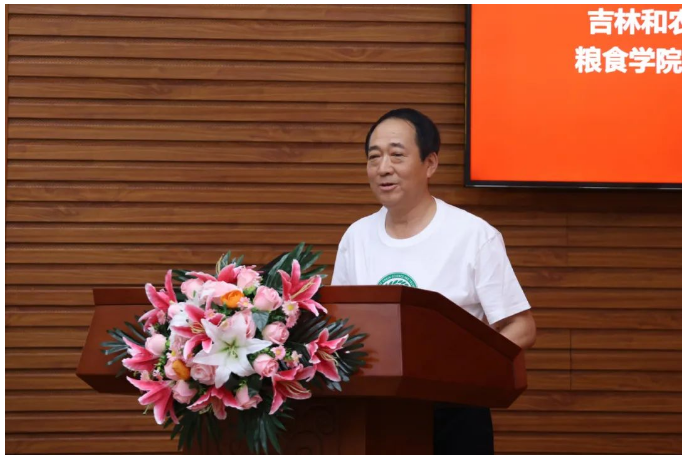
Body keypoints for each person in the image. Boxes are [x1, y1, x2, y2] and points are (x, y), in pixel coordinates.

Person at [330, 108, 537, 455]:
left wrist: (461, 367)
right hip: (375, 413)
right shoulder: (357, 236)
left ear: (430, 164)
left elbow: (522, 327)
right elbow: (339, 328)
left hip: (455, 411)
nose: (383, 168)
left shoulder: (473, 235)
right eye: (374, 157)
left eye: (397, 155)